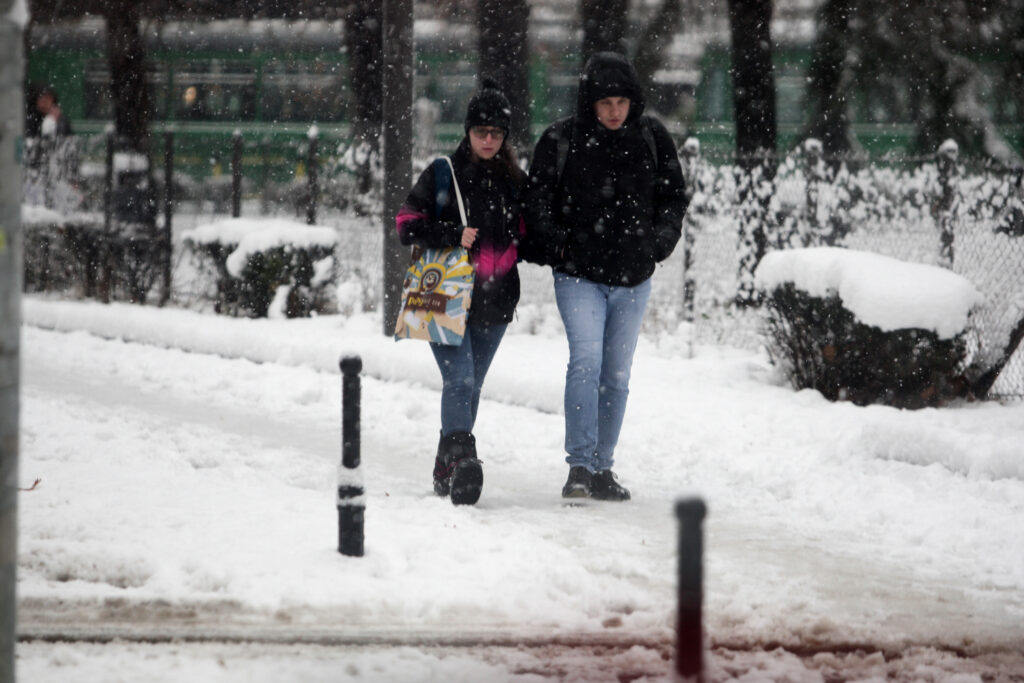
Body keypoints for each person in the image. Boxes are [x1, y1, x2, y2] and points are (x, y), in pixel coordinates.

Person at [525, 52, 688, 501]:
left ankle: (603, 468)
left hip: (634, 279)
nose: (614, 110)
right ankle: (579, 464)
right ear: (590, 103)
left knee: (616, 374)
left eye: (620, 101)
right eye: (605, 102)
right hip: (579, 276)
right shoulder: (561, 139)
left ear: (632, 100)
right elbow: (536, 201)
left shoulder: (652, 137)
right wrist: (561, 244)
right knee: (586, 360)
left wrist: (658, 243)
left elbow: (673, 198)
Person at [395, 79, 527, 506]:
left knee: (470, 387)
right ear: (467, 132)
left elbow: (531, 233)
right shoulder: (442, 175)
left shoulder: (514, 181)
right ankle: (460, 461)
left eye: (496, 133)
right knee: (460, 378)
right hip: (445, 297)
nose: (488, 140)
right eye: (480, 132)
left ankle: (444, 465)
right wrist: (453, 233)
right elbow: (405, 224)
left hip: (497, 301)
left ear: (504, 136)